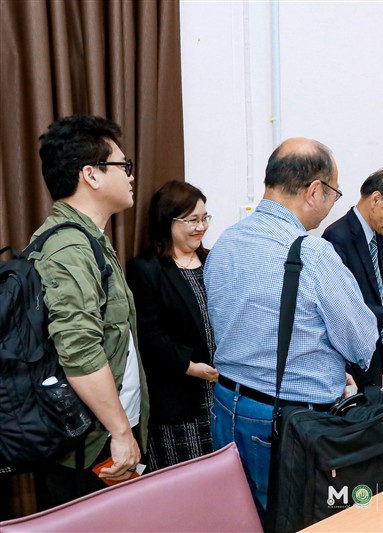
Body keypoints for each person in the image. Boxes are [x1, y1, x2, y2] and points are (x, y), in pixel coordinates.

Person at [204, 138, 377, 520]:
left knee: (240, 515)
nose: (332, 204)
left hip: (225, 405)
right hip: (287, 422)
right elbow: (362, 343)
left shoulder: (225, 241)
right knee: (294, 518)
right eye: (334, 193)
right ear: (314, 190)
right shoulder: (313, 254)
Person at [32, 114, 149, 505]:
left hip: (105, 434)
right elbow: (79, 350)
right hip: (91, 444)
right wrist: (120, 431)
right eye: (123, 165)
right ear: (91, 175)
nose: (131, 176)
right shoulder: (70, 248)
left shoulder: (90, 239)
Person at [126, 181, 218, 471]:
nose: (201, 227)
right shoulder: (146, 268)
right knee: (186, 479)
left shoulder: (213, 260)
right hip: (179, 396)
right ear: (167, 220)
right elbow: (149, 335)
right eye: (192, 220)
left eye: (204, 218)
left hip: (222, 393)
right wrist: (191, 367)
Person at [322, 168, 383, 390]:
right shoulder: (337, 237)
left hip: (377, 344)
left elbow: (379, 278)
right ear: (376, 199)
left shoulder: (376, 232)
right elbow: (339, 304)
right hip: (355, 354)